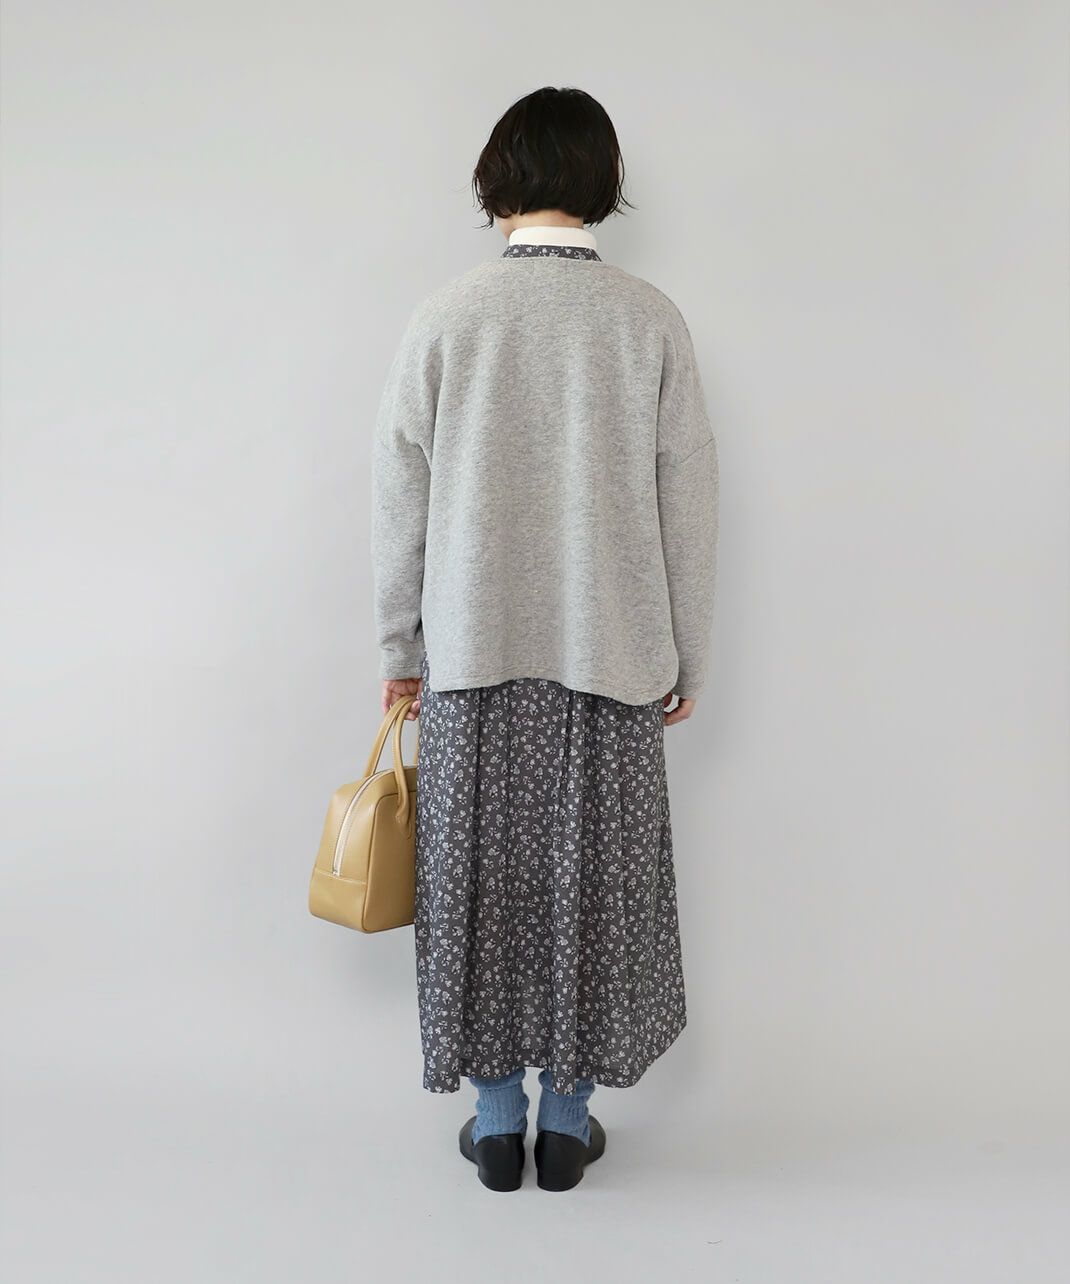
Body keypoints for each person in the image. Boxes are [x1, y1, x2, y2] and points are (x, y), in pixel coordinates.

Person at [370, 85, 719, 1192]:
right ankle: (565, 1127)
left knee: (475, 887)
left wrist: (399, 652)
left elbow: (399, 499)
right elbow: (688, 501)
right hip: (612, 659)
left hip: (472, 659)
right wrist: (687, 652)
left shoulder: (445, 317)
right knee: (596, 888)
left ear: (496, 181)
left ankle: (493, 1125)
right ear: (602, 182)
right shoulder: (647, 319)